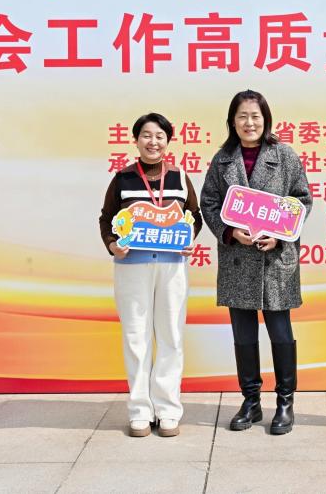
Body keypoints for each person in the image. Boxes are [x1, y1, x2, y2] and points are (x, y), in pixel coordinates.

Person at [200, 90, 312, 435]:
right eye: (242, 116)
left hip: (275, 258)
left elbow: (302, 200)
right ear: (232, 122)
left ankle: (285, 402)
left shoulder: (285, 155)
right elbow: (209, 202)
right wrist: (230, 232)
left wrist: (280, 235)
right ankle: (250, 401)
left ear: (266, 120)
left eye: (255, 116)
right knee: (243, 334)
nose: (249, 123)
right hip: (238, 258)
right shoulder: (222, 160)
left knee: (281, 332)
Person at [98, 113, 203, 438]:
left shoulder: (180, 177)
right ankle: (140, 411)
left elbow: (194, 215)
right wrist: (112, 244)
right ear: (136, 140)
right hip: (132, 267)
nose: (152, 142)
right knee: (136, 338)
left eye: (159, 136)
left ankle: (168, 410)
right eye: (146, 135)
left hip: (171, 267)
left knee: (171, 336)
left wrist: (189, 238)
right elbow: (106, 218)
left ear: (167, 141)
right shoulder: (123, 178)